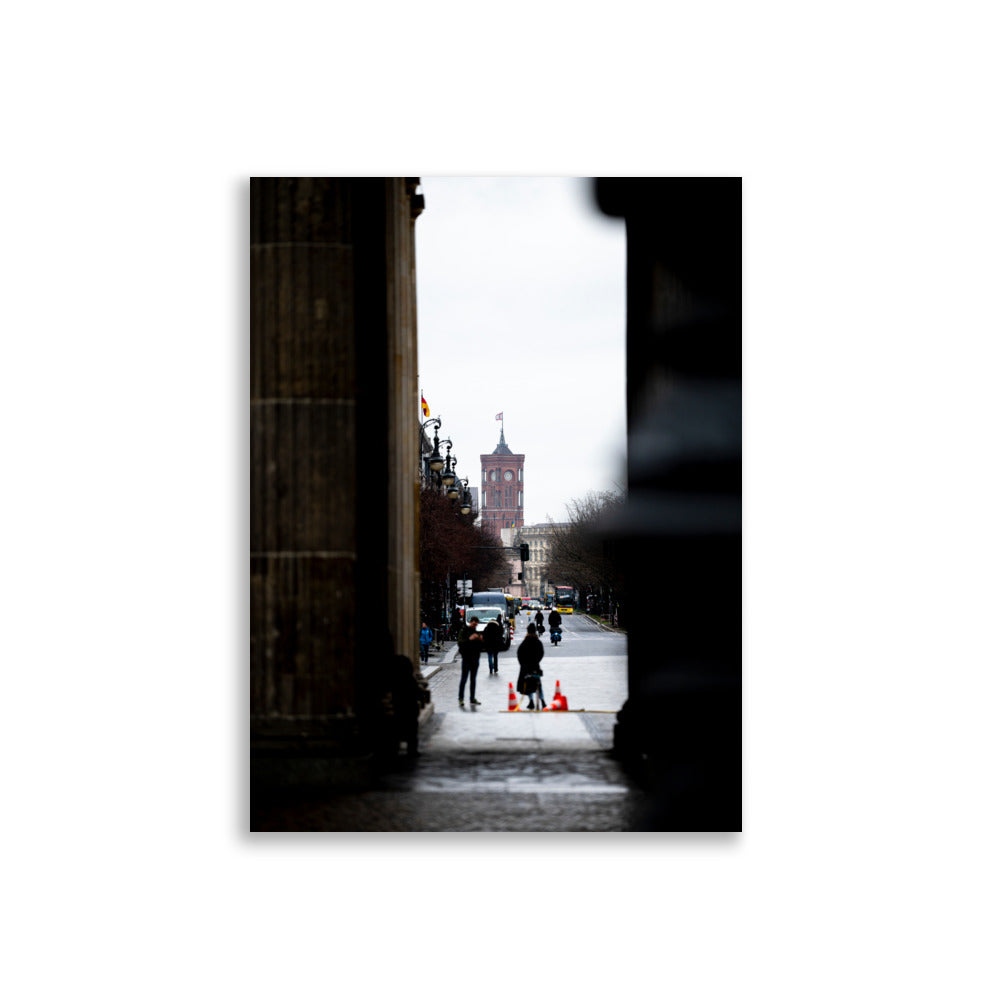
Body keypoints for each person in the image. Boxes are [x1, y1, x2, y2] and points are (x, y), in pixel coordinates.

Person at [516, 623, 546, 710]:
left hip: (526, 668)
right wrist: (536, 661)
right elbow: (541, 653)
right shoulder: (538, 642)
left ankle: (531, 702)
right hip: (535, 667)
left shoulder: (525, 642)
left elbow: (519, 654)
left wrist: (522, 663)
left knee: (528, 684)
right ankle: (543, 702)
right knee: (538, 684)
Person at [457, 616, 484, 707]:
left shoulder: (477, 632)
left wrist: (481, 640)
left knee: (473, 679)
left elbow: (481, 647)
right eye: (473, 624)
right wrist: (470, 639)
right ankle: (461, 698)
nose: (474, 626)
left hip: (475, 659)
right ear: (470, 622)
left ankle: (472, 698)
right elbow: (460, 644)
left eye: (476, 624)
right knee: (464, 679)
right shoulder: (464, 631)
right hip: (466, 659)